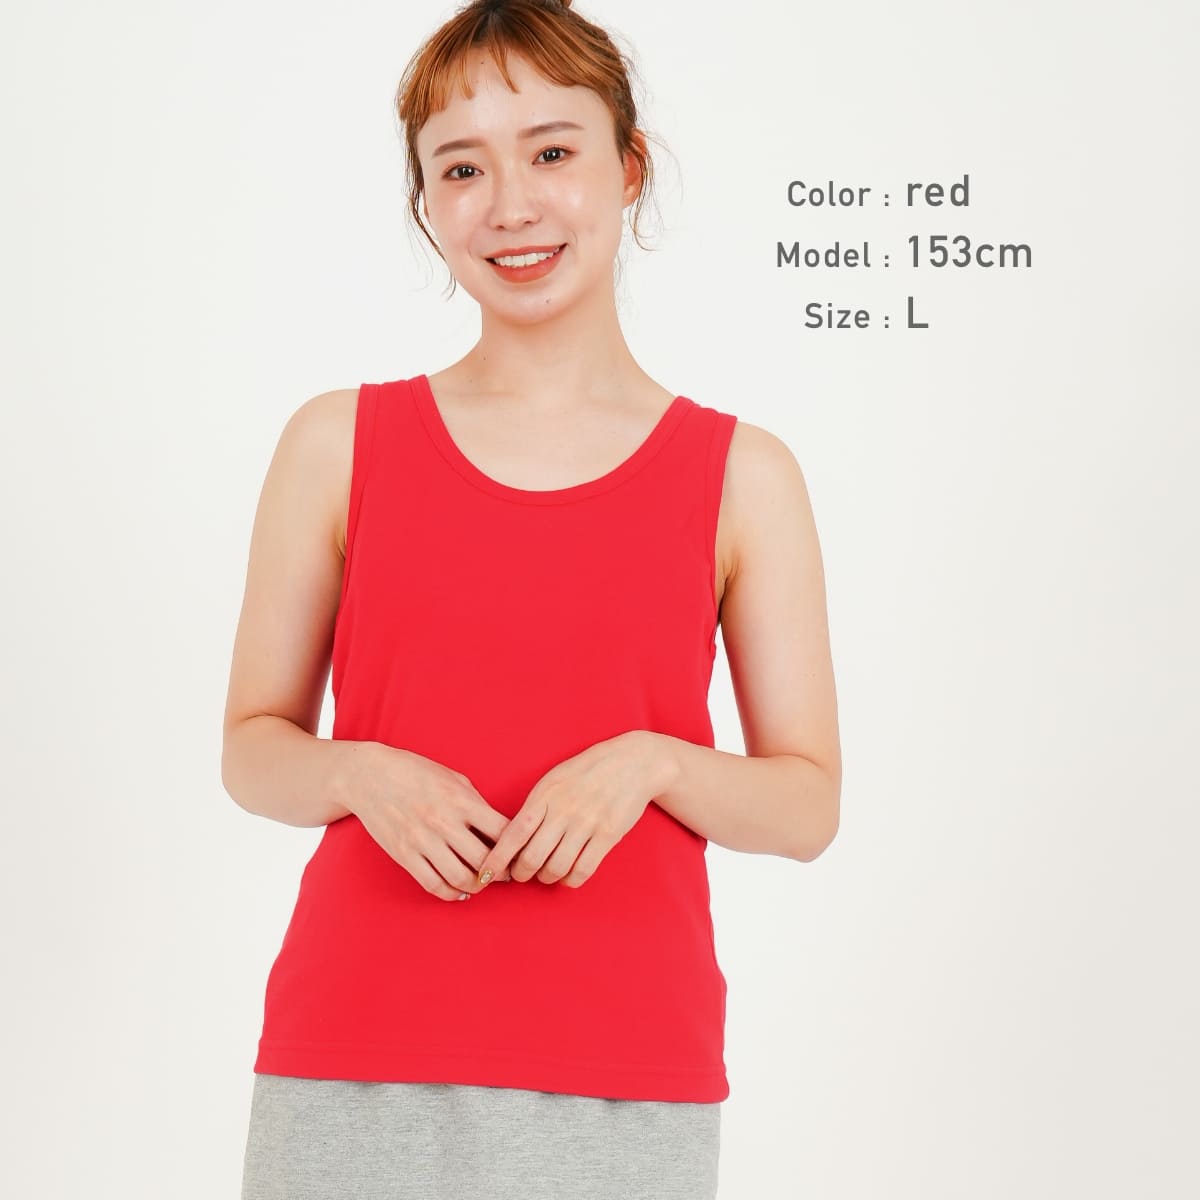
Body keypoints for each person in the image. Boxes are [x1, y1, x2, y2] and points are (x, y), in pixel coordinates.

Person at [221, 1, 841, 1197]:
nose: (509, 204)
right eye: (462, 168)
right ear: (426, 203)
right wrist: (358, 772)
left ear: (630, 167)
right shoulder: (336, 446)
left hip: (625, 1075)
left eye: (551, 150)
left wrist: (654, 764)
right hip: (352, 1058)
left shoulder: (742, 476)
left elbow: (806, 804)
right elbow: (253, 750)